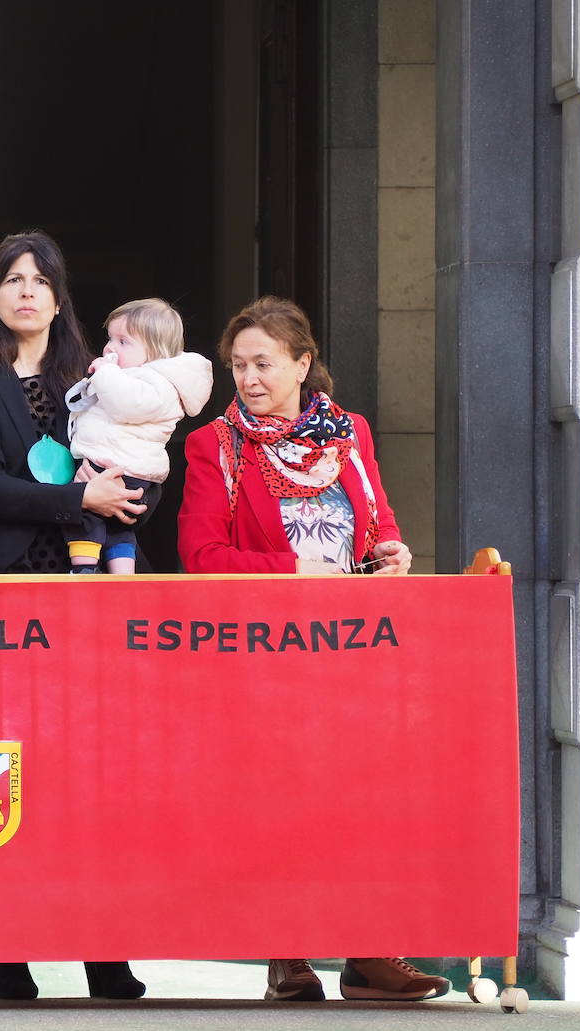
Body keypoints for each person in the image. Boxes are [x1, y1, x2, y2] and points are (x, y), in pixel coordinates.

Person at [177, 295, 450, 1003]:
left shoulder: (350, 433)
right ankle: (287, 953)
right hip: (267, 655)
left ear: (303, 364)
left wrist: (393, 551)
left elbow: (378, 522)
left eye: (263, 364)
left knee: (367, 799)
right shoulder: (215, 445)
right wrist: (292, 570)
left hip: (356, 650)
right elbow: (201, 557)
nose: (248, 378)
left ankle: (370, 953)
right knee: (279, 800)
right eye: (238, 365)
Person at [0, 229, 146, 1001]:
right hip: (16, 600)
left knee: (98, 779)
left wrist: (124, 495)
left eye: (40, 280)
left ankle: (104, 953)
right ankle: (10, 954)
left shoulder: (98, 376)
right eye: (12, 278)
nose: (26, 291)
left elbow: (140, 454)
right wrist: (77, 497)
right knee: (14, 773)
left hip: (97, 600)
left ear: (59, 299)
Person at [63, 298, 212, 573]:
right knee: (118, 530)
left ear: (155, 353)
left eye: (123, 341)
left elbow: (126, 404)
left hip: (119, 466)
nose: (110, 347)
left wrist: (105, 373)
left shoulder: (154, 383)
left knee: (85, 514)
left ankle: (83, 568)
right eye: (110, 339)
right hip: (126, 465)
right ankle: (123, 575)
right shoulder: (135, 380)